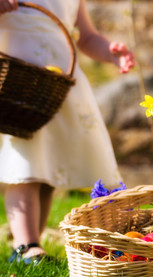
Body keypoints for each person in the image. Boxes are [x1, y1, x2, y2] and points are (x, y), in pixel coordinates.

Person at [0, 0, 135, 263]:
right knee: (24, 164)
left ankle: (32, 243)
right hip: (18, 80)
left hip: (60, 83)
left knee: (48, 164)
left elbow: (87, 37)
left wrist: (110, 52)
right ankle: (25, 244)